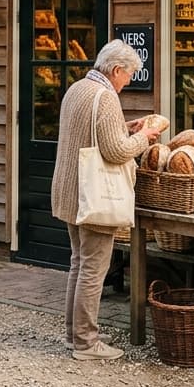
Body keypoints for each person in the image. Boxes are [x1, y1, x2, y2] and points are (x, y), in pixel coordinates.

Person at [50, 39, 163, 361]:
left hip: (70, 189)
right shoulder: (106, 97)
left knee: (78, 263)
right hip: (94, 195)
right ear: (115, 70)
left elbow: (88, 133)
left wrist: (125, 126)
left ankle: (75, 335)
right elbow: (116, 152)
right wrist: (144, 137)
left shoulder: (78, 89)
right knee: (93, 269)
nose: (127, 83)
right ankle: (87, 343)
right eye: (127, 76)